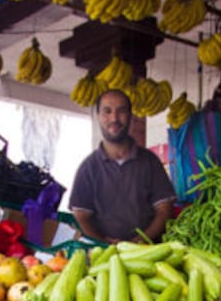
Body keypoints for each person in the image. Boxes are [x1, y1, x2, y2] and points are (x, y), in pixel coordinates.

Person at [68, 88, 177, 244]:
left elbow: (164, 209)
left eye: (121, 111)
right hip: (103, 255)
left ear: (131, 116)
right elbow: (81, 216)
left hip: (148, 252)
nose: (114, 118)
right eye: (107, 111)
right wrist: (104, 243)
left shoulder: (150, 162)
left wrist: (140, 241)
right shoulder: (88, 168)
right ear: (98, 116)